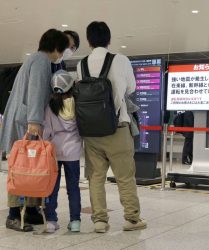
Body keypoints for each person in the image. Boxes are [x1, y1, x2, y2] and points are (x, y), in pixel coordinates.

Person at [77, 21, 146, 233]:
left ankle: (99, 220)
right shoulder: (120, 60)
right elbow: (131, 87)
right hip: (117, 127)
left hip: (91, 131)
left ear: (88, 41)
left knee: (96, 177)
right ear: (109, 39)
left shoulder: (82, 64)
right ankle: (131, 220)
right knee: (125, 176)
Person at [0, 29, 68, 232]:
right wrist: (35, 122)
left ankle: (30, 209)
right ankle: (13, 214)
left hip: (20, 118)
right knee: (20, 168)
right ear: (56, 48)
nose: (61, 54)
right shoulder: (41, 61)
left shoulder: (33, 58)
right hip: (27, 122)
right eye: (62, 50)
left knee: (30, 166)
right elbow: (37, 92)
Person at [43, 70, 82, 233]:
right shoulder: (78, 103)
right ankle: (75, 222)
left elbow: (46, 132)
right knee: (73, 188)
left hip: (54, 152)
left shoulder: (51, 106)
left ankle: (51, 221)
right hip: (73, 152)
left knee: (52, 187)